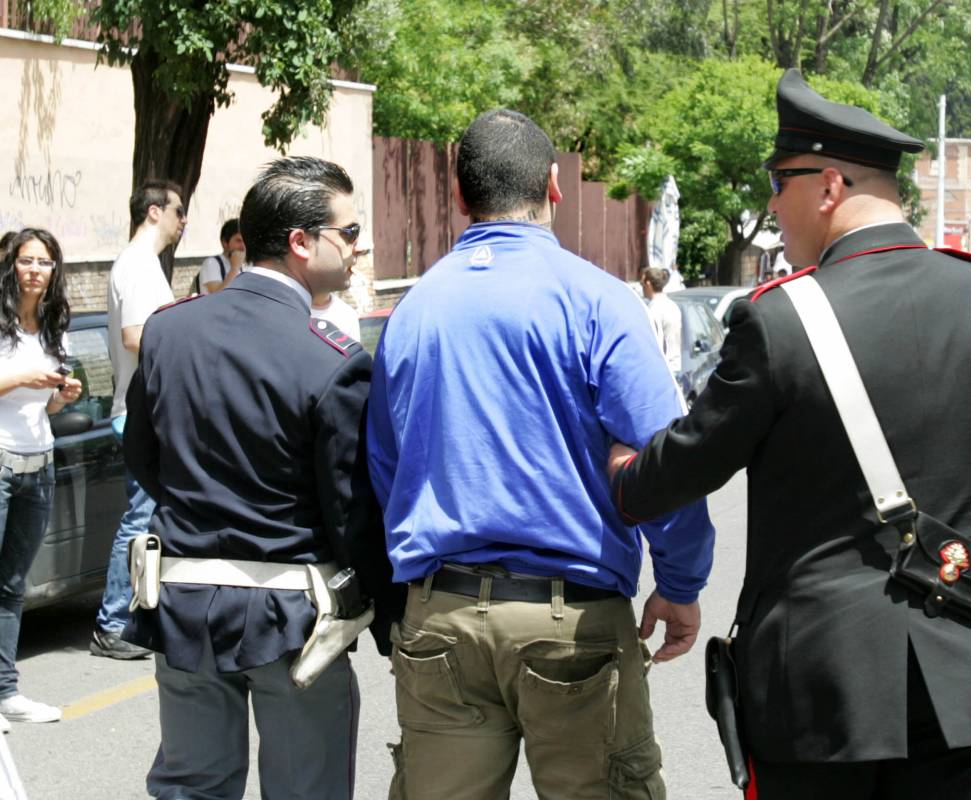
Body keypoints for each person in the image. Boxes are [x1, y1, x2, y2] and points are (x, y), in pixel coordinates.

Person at [607, 71, 971, 799]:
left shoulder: (779, 319)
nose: (772, 203)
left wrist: (625, 474)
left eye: (779, 181)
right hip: (956, 668)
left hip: (816, 685)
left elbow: (693, 459)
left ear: (828, 186)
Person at [366, 108, 715, 799]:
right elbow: (660, 462)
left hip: (442, 618)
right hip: (572, 618)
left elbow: (386, 468)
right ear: (554, 186)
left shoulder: (413, 310)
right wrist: (679, 585)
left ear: (461, 195)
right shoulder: (598, 301)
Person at [121, 156, 386, 799]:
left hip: (183, 602)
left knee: (191, 787)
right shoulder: (330, 358)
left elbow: (143, 458)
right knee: (306, 788)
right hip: (295, 615)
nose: (358, 247)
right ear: (301, 242)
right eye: (348, 233)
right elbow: (350, 509)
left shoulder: (169, 331)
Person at [92, 180, 186, 660]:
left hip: (142, 410)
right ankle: (112, 623)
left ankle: (134, 616)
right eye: (177, 210)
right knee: (140, 518)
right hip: (138, 412)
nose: (182, 220)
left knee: (148, 516)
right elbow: (135, 335)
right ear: (154, 212)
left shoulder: (141, 264)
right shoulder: (138, 264)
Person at [0, 229, 83, 730]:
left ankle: (6, 691)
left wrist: (61, 396)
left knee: (12, 585)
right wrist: (20, 379)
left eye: (45, 262)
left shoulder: (55, 324)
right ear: (11, 266)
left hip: (40, 461)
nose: (35, 270)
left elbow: (46, 402)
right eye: (27, 261)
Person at [641, 266, 682, 372]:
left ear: (648, 284)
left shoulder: (653, 311)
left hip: (664, 369)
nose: (642, 288)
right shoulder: (673, 305)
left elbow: (652, 344)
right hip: (677, 365)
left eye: (642, 284)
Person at [195, 218, 244, 295]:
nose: (243, 246)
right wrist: (235, 268)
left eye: (245, 240)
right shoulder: (212, 263)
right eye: (238, 240)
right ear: (224, 242)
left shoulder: (246, 265)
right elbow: (217, 297)